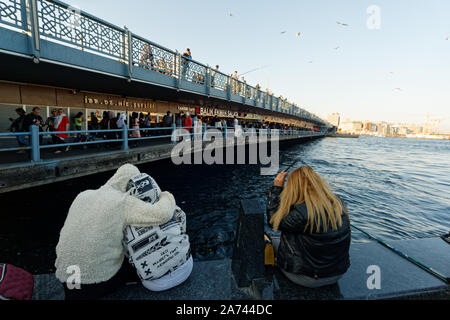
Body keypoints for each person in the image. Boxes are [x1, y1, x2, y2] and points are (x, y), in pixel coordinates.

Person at [55, 164, 176, 300]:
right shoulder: (123, 202)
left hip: (68, 280)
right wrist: (165, 195)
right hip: (92, 284)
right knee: (138, 264)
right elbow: (162, 214)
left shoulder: (83, 195)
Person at [267, 166, 351, 288]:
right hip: (337, 273)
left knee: (268, 241)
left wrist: (276, 189)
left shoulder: (300, 214)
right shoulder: (339, 203)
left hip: (308, 278)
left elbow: (273, 221)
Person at [123, 173, 192, 292]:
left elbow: (127, 254)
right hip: (186, 268)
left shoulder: (125, 225)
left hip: (155, 284)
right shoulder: (171, 208)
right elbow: (183, 226)